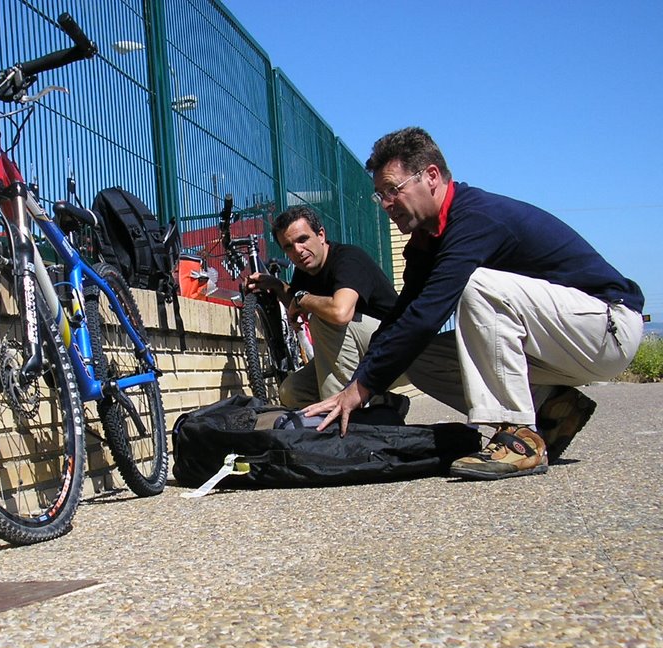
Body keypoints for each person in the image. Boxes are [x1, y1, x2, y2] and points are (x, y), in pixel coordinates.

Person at [304, 127, 644, 480]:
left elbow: (426, 316)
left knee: (477, 284)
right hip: (558, 344)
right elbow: (403, 318)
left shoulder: (474, 219)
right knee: (419, 359)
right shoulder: (426, 240)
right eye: (380, 195)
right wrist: (360, 384)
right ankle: (553, 405)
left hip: (605, 327)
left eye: (393, 190)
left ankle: (519, 437)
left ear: (431, 176)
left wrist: (361, 389)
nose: (387, 204)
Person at [245, 205, 401, 410]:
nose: (298, 251)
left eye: (302, 239)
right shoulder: (305, 272)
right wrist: (275, 284)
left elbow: (340, 312)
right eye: (289, 247)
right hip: (362, 355)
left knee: (325, 318)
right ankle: (385, 406)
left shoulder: (348, 259)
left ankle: (349, 429)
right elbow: (295, 302)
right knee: (292, 391)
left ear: (320, 235)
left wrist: (304, 300)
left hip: (397, 350)